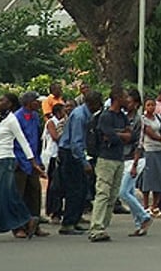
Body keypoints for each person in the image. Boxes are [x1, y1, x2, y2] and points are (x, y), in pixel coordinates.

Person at [0, 92, 44, 241]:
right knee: (9, 197)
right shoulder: (0, 119)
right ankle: (28, 219)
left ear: (10, 105)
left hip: (5, 161)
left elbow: (23, 141)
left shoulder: (12, 120)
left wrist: (33, 163)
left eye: (2, 100)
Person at [87, 87, 133, 242]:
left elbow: (129, 136)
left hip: (119, 158)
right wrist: (120, 135)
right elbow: (108, 136)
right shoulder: (105, 116)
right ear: (117, 98)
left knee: (113, 196)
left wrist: (117, 135)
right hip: (106, 159)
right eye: (125, 97)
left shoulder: (123, 117)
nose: (128, 100)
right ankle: (96, 228)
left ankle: (103, 227)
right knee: (103, 193)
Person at [57, 89, 101, 234]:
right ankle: (68, 223)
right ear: (92, 103)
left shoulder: (85, 115)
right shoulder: (80, 116)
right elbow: (76, 142)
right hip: (71, 154)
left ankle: (75, 219)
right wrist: (84, 162)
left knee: (82, 189)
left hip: (75, 153)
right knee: (74, 189)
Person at [116, 89, 153, 238]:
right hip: (123, 157)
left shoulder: (139, 120)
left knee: (123, 192)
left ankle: (145, 216)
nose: (127, 104)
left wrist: (135, 164)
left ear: (136, 104)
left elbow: (139, 143)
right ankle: (139, 225)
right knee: (130, 192)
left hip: (135, 159)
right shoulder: (123, 117)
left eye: (130, 101)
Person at [12, 91, 46, 233]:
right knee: (19, 194)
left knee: (35, 192)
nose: (39, 104)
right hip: (20, 160)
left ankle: (34, 224)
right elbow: (14, 141)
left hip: (33, 161)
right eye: (36, 101)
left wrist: (38, 160)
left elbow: (36, 139)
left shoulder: (35, 117)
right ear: (28, 102)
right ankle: (18, 226)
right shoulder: (17, 117)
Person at [139, 98, 161, 216]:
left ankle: (155, 206)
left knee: (159, 177)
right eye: (148, 105)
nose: (151, 107)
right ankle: (146, 205)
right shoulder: (143, 120)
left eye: (153, 105)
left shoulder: (158, 118)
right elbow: (150, 134)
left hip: (160, 150)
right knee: (149, 178)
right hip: (149, 150)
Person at [42, 101, 66, 223]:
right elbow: (55, 137)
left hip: (59, 155)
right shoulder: (52, 122)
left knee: (60, 184)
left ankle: (58, 209)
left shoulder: (63, 122)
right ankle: (53, 210)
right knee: (54, 184)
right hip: (52, 155)